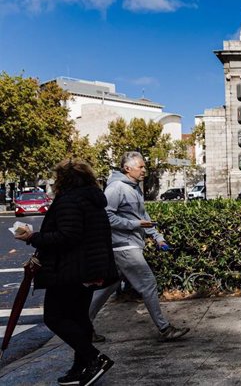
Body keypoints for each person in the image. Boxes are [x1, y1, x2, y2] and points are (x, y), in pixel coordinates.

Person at [14, 158, 118, 385]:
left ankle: (94, 359)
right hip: (90, 268)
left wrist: (32, 237)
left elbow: (67, 236)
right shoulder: (92, 200)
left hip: (70, 270)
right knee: (79, 318)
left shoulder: (69, 201)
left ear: (63, 180)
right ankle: (80, 368)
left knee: (54, 317)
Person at [89, 151, 189, 342]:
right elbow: (105, 217)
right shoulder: (116, 188)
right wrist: (134, 226)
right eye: (141, 167)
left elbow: (142, 216)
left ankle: (83, 326)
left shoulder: (134, 187)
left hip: (129, 245)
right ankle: (164, 329)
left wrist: (157, 237)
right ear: (128, 168)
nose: (144, 170)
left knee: (109, 287)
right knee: (148, 284)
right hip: (124, 246)